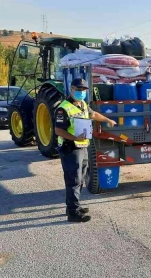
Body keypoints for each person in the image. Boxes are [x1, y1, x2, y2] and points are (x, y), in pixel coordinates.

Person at [54, 78, 117, 223]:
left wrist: (107, 120)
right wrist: (74, 137)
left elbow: (93, 114)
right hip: (70, 148)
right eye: (79, 90)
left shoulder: (82, 104)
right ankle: (73, 213)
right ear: (71, 89)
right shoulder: (63, 108)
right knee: (74, 180)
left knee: (81, 178)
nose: (81, 92)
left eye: (83, 90)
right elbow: (58, 130)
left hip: (82, 147)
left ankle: (73, 206)